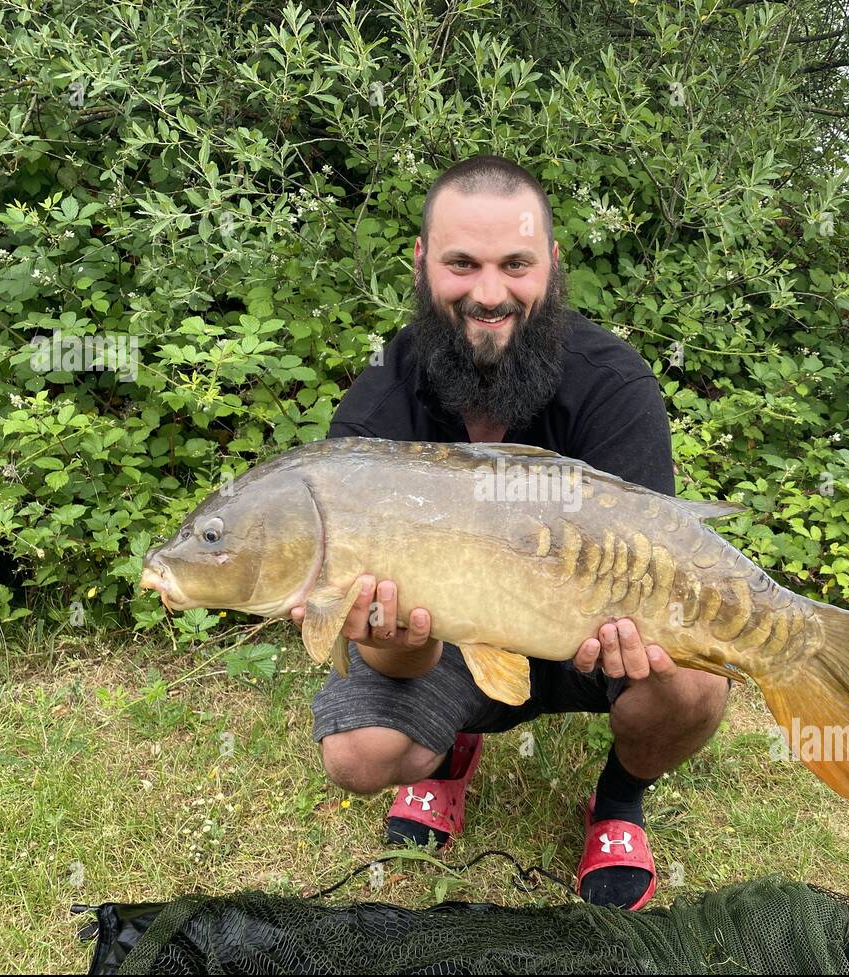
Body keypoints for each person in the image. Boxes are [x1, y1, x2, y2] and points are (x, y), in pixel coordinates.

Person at [294, 155, 730, 910]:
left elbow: (663, 558)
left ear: (552, 267)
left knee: (693, 683)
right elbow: (383, 651)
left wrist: (649, 634)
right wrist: (399, 637)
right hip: (448, 636)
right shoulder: (374, 414)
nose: (489, 293)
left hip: (589, 633)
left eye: (515, 265)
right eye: (462, 263)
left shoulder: (614, 384)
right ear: (423, 264)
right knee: (357, 750)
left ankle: (620, 801)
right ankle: (447, 751)